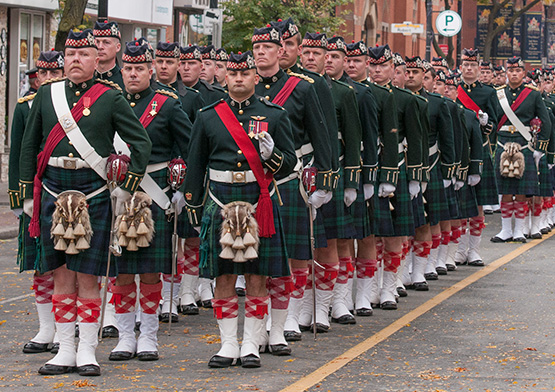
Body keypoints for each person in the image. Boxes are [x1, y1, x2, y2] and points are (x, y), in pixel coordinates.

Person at [19, 29, 151, 376]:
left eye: (83, 54)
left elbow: (140, 143)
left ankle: (87, 350)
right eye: (70, 54)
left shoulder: (110, 96)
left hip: (92, 190)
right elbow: (28, 147)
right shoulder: (47, 95)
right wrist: (24, 195)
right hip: (52, 191)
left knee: (88, 276)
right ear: (64, 59)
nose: (75, 60)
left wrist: (127, 185)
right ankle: (64, 348)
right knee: (61, 275)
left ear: (97, 59)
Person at [183, 51, 296, 368]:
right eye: (233, 74)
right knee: (224, 275)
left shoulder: (274, 115)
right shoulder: (209, 116)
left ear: (255, 78)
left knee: (257, 276)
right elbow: (196, 163)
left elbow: (290, 162)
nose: (238, 79)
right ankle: (228, 344)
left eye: (245, 74)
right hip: (219, 200)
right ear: (225, 77)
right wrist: (192, 201)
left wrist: (272, 155)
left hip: (258, 200)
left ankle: (251, 344)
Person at [109, 40, 192, 362]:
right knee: (122, 271)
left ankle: (149, 336)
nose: (132, 74)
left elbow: (187, 148)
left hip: (154, 191)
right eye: (127, 68)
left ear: (150, 70)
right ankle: (125, 335)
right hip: (118, 192)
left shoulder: (168, 104)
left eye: (139, 68)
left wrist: (181, 187)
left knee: (149, 271)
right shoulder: (110, 101)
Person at [252, 24, 332, 346]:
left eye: (282, 45)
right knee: (262, 253)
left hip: (290, 176)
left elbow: (321, 136)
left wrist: (324, 181)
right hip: (254, 179)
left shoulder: (303, 88)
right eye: (266, 46)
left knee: (297, 251)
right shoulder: (246, 86)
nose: (275, 50)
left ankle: (293, 315)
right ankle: (265, 317)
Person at [9, 50, 65, 355]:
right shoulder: (25, 106)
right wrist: (20, 198)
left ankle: (66, 325)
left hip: (69, 190)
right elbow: (19, 152)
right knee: (41, 265)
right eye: (43, 74)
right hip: (38, 192)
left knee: (66, 266)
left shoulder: (79, 104)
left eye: (55, 74)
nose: (48, 79)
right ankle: (46, 327)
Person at [491, 56, 551, 244]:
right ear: (506, 73)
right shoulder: (498, 94)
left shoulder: (532, 94)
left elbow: (546, 121)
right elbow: (494, 121)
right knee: (506, 191)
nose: (514, 74)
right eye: (510, 71)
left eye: (517, 71)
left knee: (522, 192)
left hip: (524, 145)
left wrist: (540, 148)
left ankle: (519, 230)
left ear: (523, 73)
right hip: (503, 144)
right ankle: (505, 229)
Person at [455, 49, 500, 266]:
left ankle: (474, 249)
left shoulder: (488, 93)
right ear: (461, 66)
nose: (469, 68)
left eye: (473, 65)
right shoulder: (453, 89)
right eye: (466, 64)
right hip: (456, 151)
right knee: (460, 203)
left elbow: (495, 123)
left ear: (479, 67)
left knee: (478, 203)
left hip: (479, 150)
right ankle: (460, 249)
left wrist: (486, 123)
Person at [93, 20, 123, 88]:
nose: (100, 47)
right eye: (97, 42)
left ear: (118, 47)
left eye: (106, 42)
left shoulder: (125, 80)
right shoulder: (86, 78)